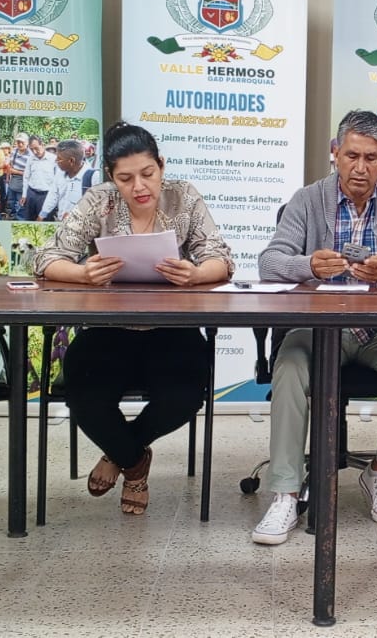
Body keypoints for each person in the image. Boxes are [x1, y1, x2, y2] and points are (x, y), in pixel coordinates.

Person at [252, 109, 377, 545]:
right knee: (289, 369)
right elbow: (268, 262)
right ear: (335, 153)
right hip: (318, 328)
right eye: (352, 155)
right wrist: (308, 265)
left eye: (371, 158)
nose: (360, 167)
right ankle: (285, 492)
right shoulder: (307, 200)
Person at [33, 121, 234, 515]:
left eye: (148, 173)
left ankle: (119, 454)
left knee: (184, 397)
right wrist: (82, 273)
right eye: (125, 179)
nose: (139, 187)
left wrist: (196, 274)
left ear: (161, 165)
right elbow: (45, 258)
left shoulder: (183, 197)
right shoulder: (99, 200)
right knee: (83, 396)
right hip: (108, 329)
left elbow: (221, 258)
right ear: (112, 176)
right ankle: (135, 462)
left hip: (172, 331)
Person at [37, 140, 89, 223]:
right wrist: (42, 215)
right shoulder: (60, 174)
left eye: (59, 159)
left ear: (71, 161)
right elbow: (53, 195)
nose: (55, 161)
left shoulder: (92, 178)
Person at [19, 135, 59, 220]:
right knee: (29, 221)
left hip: (46, 196)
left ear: (42, 145)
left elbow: (58, 181)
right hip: (31, 194)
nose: (34, 152)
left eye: (36, 148)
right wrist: (24, 195)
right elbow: (26, 177)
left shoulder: (53, 159)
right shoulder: (30, 159)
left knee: (45, 221)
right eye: (31, 149)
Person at [2, 132, 30, 220]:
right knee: (10, 201)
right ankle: (11, 216)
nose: (20, 144)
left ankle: (19, 219)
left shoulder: (31, 155)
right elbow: (10, 165)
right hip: (13, 180)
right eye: (18, 142)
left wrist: (16, 172)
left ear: (27, 142)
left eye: (22, 142)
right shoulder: (14, 151)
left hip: (23, 182)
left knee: (20, 203)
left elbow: (31, 173)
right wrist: (8, 177)